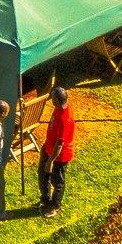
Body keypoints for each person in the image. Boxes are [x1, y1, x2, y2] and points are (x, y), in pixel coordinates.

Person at [37, 85, 76, 218]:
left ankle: (55, 206)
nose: (50, 99)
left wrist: (50, 161)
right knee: (43, 175)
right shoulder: (58, 108)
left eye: (52, 97)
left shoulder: (65, 119)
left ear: (58, 100)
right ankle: (46, 200)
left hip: (59, 156)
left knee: (58, 183)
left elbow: (60, 144)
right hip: (48, 148)